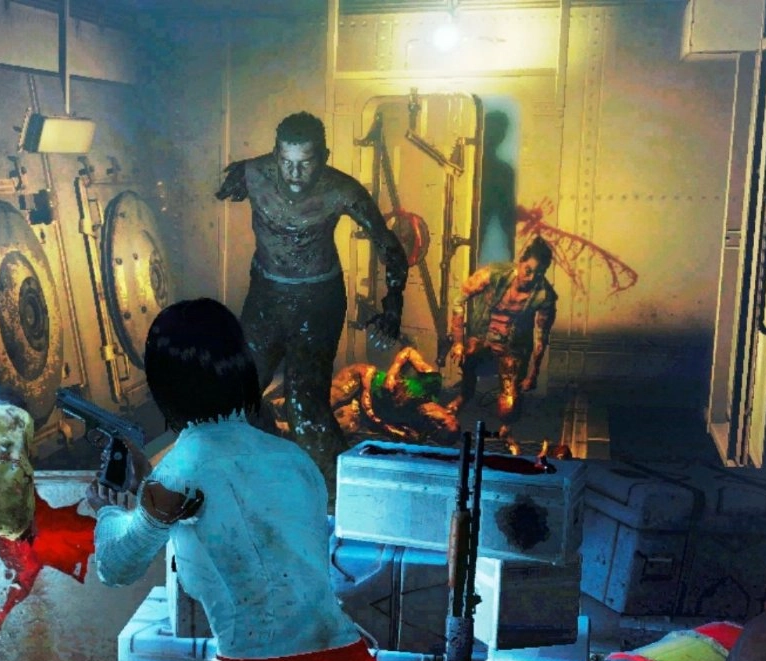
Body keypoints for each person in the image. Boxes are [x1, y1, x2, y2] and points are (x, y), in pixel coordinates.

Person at [87, 298, 403, 661]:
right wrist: (151, 493)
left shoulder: (179, 471)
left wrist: (108, 511)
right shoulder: (294, 460)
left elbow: (116, 565)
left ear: (163, 387)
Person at [216, 111, 411, 491]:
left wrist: (393, 306)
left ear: (323, 156)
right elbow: (223, 184)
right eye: (286, 162)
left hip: (317, 301)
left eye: (305, 164)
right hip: (266, 297)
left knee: (305, 410)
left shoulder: (342, 190)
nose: (294, 174)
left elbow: (388, 245)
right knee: (234, 400)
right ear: (275, 154)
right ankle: (278, 464)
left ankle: (342, 497)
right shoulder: (252, 174)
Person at [448, 236, 559, 440]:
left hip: (512, 346)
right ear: (520, 263)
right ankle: (465, 394)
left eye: (538, 274)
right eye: (528, 270)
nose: (531, 278)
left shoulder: (545, 296)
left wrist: (533, 374)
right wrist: (457, 342)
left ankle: (507, 427)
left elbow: (541, 337)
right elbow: (458, 301)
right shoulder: (493, 274)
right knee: (468, 355)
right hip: (482, 335)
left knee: (509, 405)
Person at [330, 345, 460, 445]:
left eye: (435, 432)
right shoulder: (431, 385)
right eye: (442, 423)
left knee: (334, 428)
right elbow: (409, 352)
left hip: (361, 411)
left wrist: (373, 416)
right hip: (362, 378)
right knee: (331, 399)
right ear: (449, 413)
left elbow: (386, 429)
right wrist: (393, 372)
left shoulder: (415, 432)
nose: (435, 425)